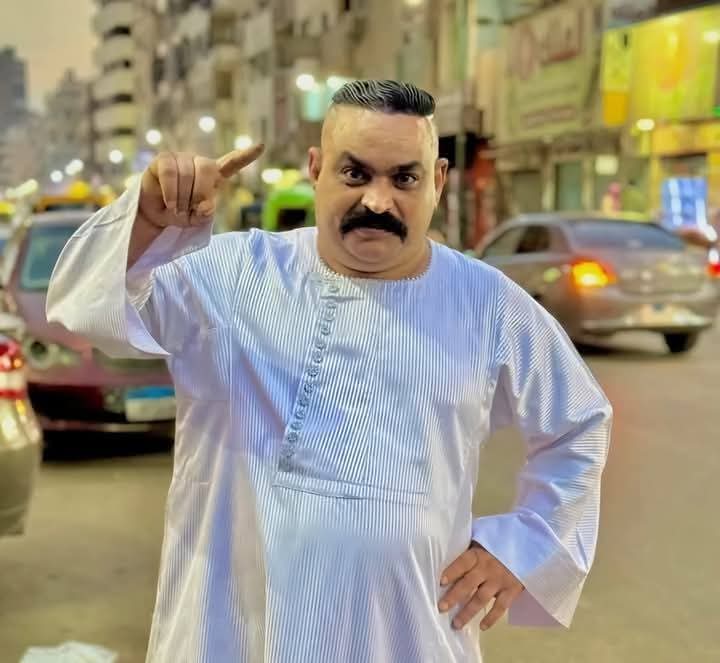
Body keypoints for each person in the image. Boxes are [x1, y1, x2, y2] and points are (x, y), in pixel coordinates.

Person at [47, 80, 612, 662]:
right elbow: (86, 307)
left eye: (404, 178)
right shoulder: (233, 276)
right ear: (316, 170)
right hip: (232, 636)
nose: (378, 201)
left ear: (438, 181)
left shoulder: (488, 304)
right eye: (355, 173)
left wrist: (523, 546)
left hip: (408, 636)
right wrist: (146, 219)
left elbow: (580, 423)